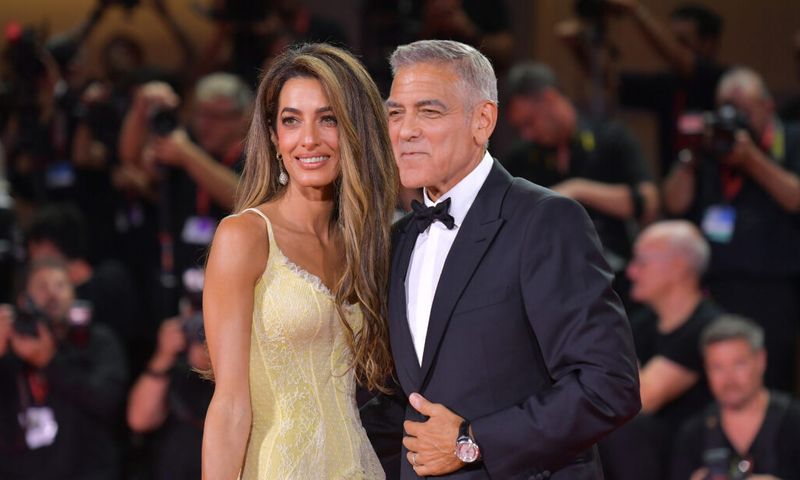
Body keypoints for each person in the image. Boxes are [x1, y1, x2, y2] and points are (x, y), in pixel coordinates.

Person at [380, 39, 640, 479]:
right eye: (395, 113)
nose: (406, 130)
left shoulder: (544, 221)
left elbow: (608, 386)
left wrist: (472, 441)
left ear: (483, 121)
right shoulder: (400, 238)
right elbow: (405, 398)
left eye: (429, 112)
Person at [201, 43, 399, 479]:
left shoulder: (366, 243)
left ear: (355, 130)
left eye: (327, 119)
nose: (308, 139)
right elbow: (230, 405)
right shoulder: (245, 237)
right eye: (291, 121)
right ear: (273, 137)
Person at [662, 66, 800, 393]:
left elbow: (795, 197)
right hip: (716, 291)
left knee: (768, 386)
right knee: (717, 387)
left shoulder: (792, 140)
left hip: (774, 292)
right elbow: (675, 203)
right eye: (725, 108)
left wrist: (751, 159)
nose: (733, 118)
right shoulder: (709, 151)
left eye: (743, 111)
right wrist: (689, 154)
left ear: (768, 107)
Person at [503, 61, 658, 306]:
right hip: (549, 285)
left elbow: (647, 201)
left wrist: (579, 189)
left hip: (614, 281)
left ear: (550, 99)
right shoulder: (520, 158)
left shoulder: (611, 138)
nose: (527, 134)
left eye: (530, 122)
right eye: (520, 127)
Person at [600, 221, 723, 480]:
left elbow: (638, 399)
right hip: (639, 451)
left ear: (678, 267)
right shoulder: (642, 322)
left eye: (642, 262)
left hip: (691, 455)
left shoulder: (707, 327)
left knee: (628, 426)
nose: (631, 272)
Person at [0, 259, 128, 479]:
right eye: (42, 287)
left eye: (60, 286)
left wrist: (49, 362)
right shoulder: (8, 349)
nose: (52, 294)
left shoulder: (98, 341)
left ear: (73, 294)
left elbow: (107, 401)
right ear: (23, 301)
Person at [670, 316, 800, 480]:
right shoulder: (693, 435)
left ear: (761, 360)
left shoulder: (794, 423)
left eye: (739, 364)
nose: (729, 379)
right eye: (717, 367)